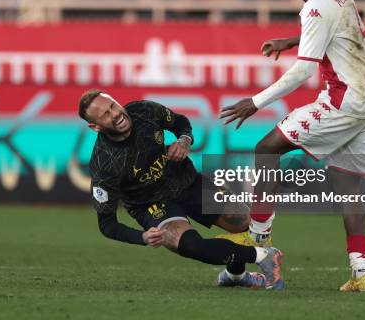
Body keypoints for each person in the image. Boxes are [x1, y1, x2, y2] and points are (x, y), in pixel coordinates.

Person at [219, 0, 365, 292]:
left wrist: (255, 102)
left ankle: (259, 243)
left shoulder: (313, 7)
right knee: (349, 188)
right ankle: (362, 273)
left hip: (345, 99)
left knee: (265, 149)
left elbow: (302, 72)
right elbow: (338, 30)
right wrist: (296, 40)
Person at [79, 89, 284, 290]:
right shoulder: (104, 164)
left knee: (243, 222)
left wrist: (184, 140)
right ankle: (264, 256)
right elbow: (106, 224)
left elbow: (180, 122)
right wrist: (140, 237)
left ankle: (235, 276)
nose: (115, 114)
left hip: (186, 181)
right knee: (192, 246)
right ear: (95, 127)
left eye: (113, 105)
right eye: (105, 114)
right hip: (151, 205)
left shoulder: (144, 111)